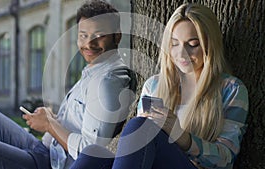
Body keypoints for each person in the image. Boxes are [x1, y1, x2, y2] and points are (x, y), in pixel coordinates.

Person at [70, 3, 249, 169]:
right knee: (92, 154)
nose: (181, 53)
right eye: (174, 44)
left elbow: (226, 158)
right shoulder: (154, 85)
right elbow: (137, 149)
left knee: (142, 126)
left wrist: (182, 137)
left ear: (210, 45)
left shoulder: (230, 89)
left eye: (193, 44)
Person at [0, 0, 136, 169]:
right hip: (47, 150)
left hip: (50, 164)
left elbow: (90, 153)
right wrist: (53, 118)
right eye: (83, 35)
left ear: (117, 36)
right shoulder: (96, 69)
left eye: (99, 36)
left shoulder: (107, 82)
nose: (88, 44)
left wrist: (49, 125)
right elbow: (81, 121)